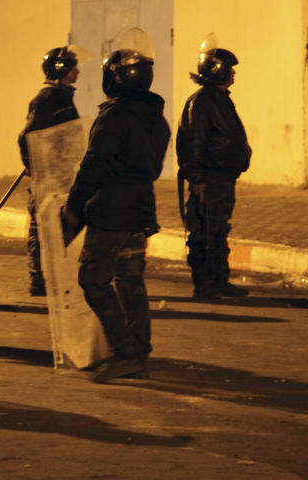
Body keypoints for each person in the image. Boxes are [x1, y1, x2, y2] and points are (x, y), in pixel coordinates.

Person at [62, 28, 170, 382]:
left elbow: (95, 165)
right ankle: (140, 351)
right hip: (140, 209)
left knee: (92, 279)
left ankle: (124, 352)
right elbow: (151, 167)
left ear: (115, 78)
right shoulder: (157, 118)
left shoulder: (114, 116)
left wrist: (75, 204)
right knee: (131, 281)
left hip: (111, 211)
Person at [176, 34, 251, 299]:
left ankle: (220, 280)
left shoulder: (219, 99)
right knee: (204, 232)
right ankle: (205, 284)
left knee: (219, 229)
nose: (233, 74)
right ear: (216, 70)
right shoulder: (202, 102)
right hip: (208, 178)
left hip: (223, 178)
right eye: (229, 69)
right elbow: (193, 142)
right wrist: (196, 177)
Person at [17, 45, 81, 296]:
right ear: (61, 69)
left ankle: (58, 277)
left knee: (60, 227)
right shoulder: (46, 100)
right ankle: (38, 280)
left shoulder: (63, 98)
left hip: (63, 174)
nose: (78, 71)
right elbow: (26, 137)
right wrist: (34, 167)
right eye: (73, 66)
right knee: (42, 228)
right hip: (49, 176)